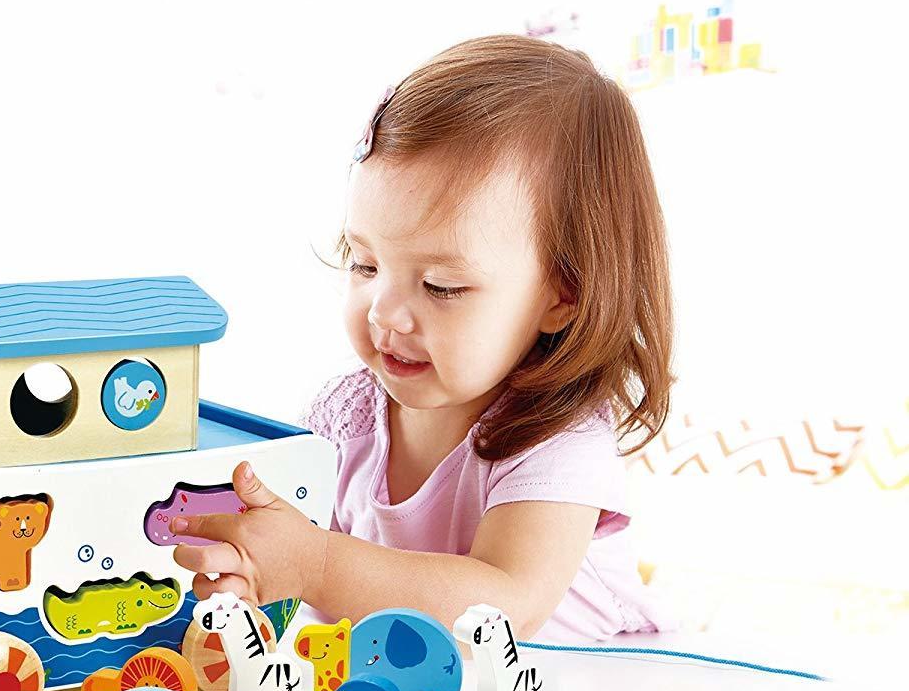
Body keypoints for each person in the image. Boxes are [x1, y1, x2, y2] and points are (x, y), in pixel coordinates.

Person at [169, 36, 675, 641]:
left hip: (585, 689)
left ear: (562, 295)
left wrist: (315, 563)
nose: (385, 313)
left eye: (441, 286)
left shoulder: (559, 440)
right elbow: (304, 574)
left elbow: (506, 606)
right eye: (364, 264)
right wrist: (252, 567)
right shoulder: (346, 419)